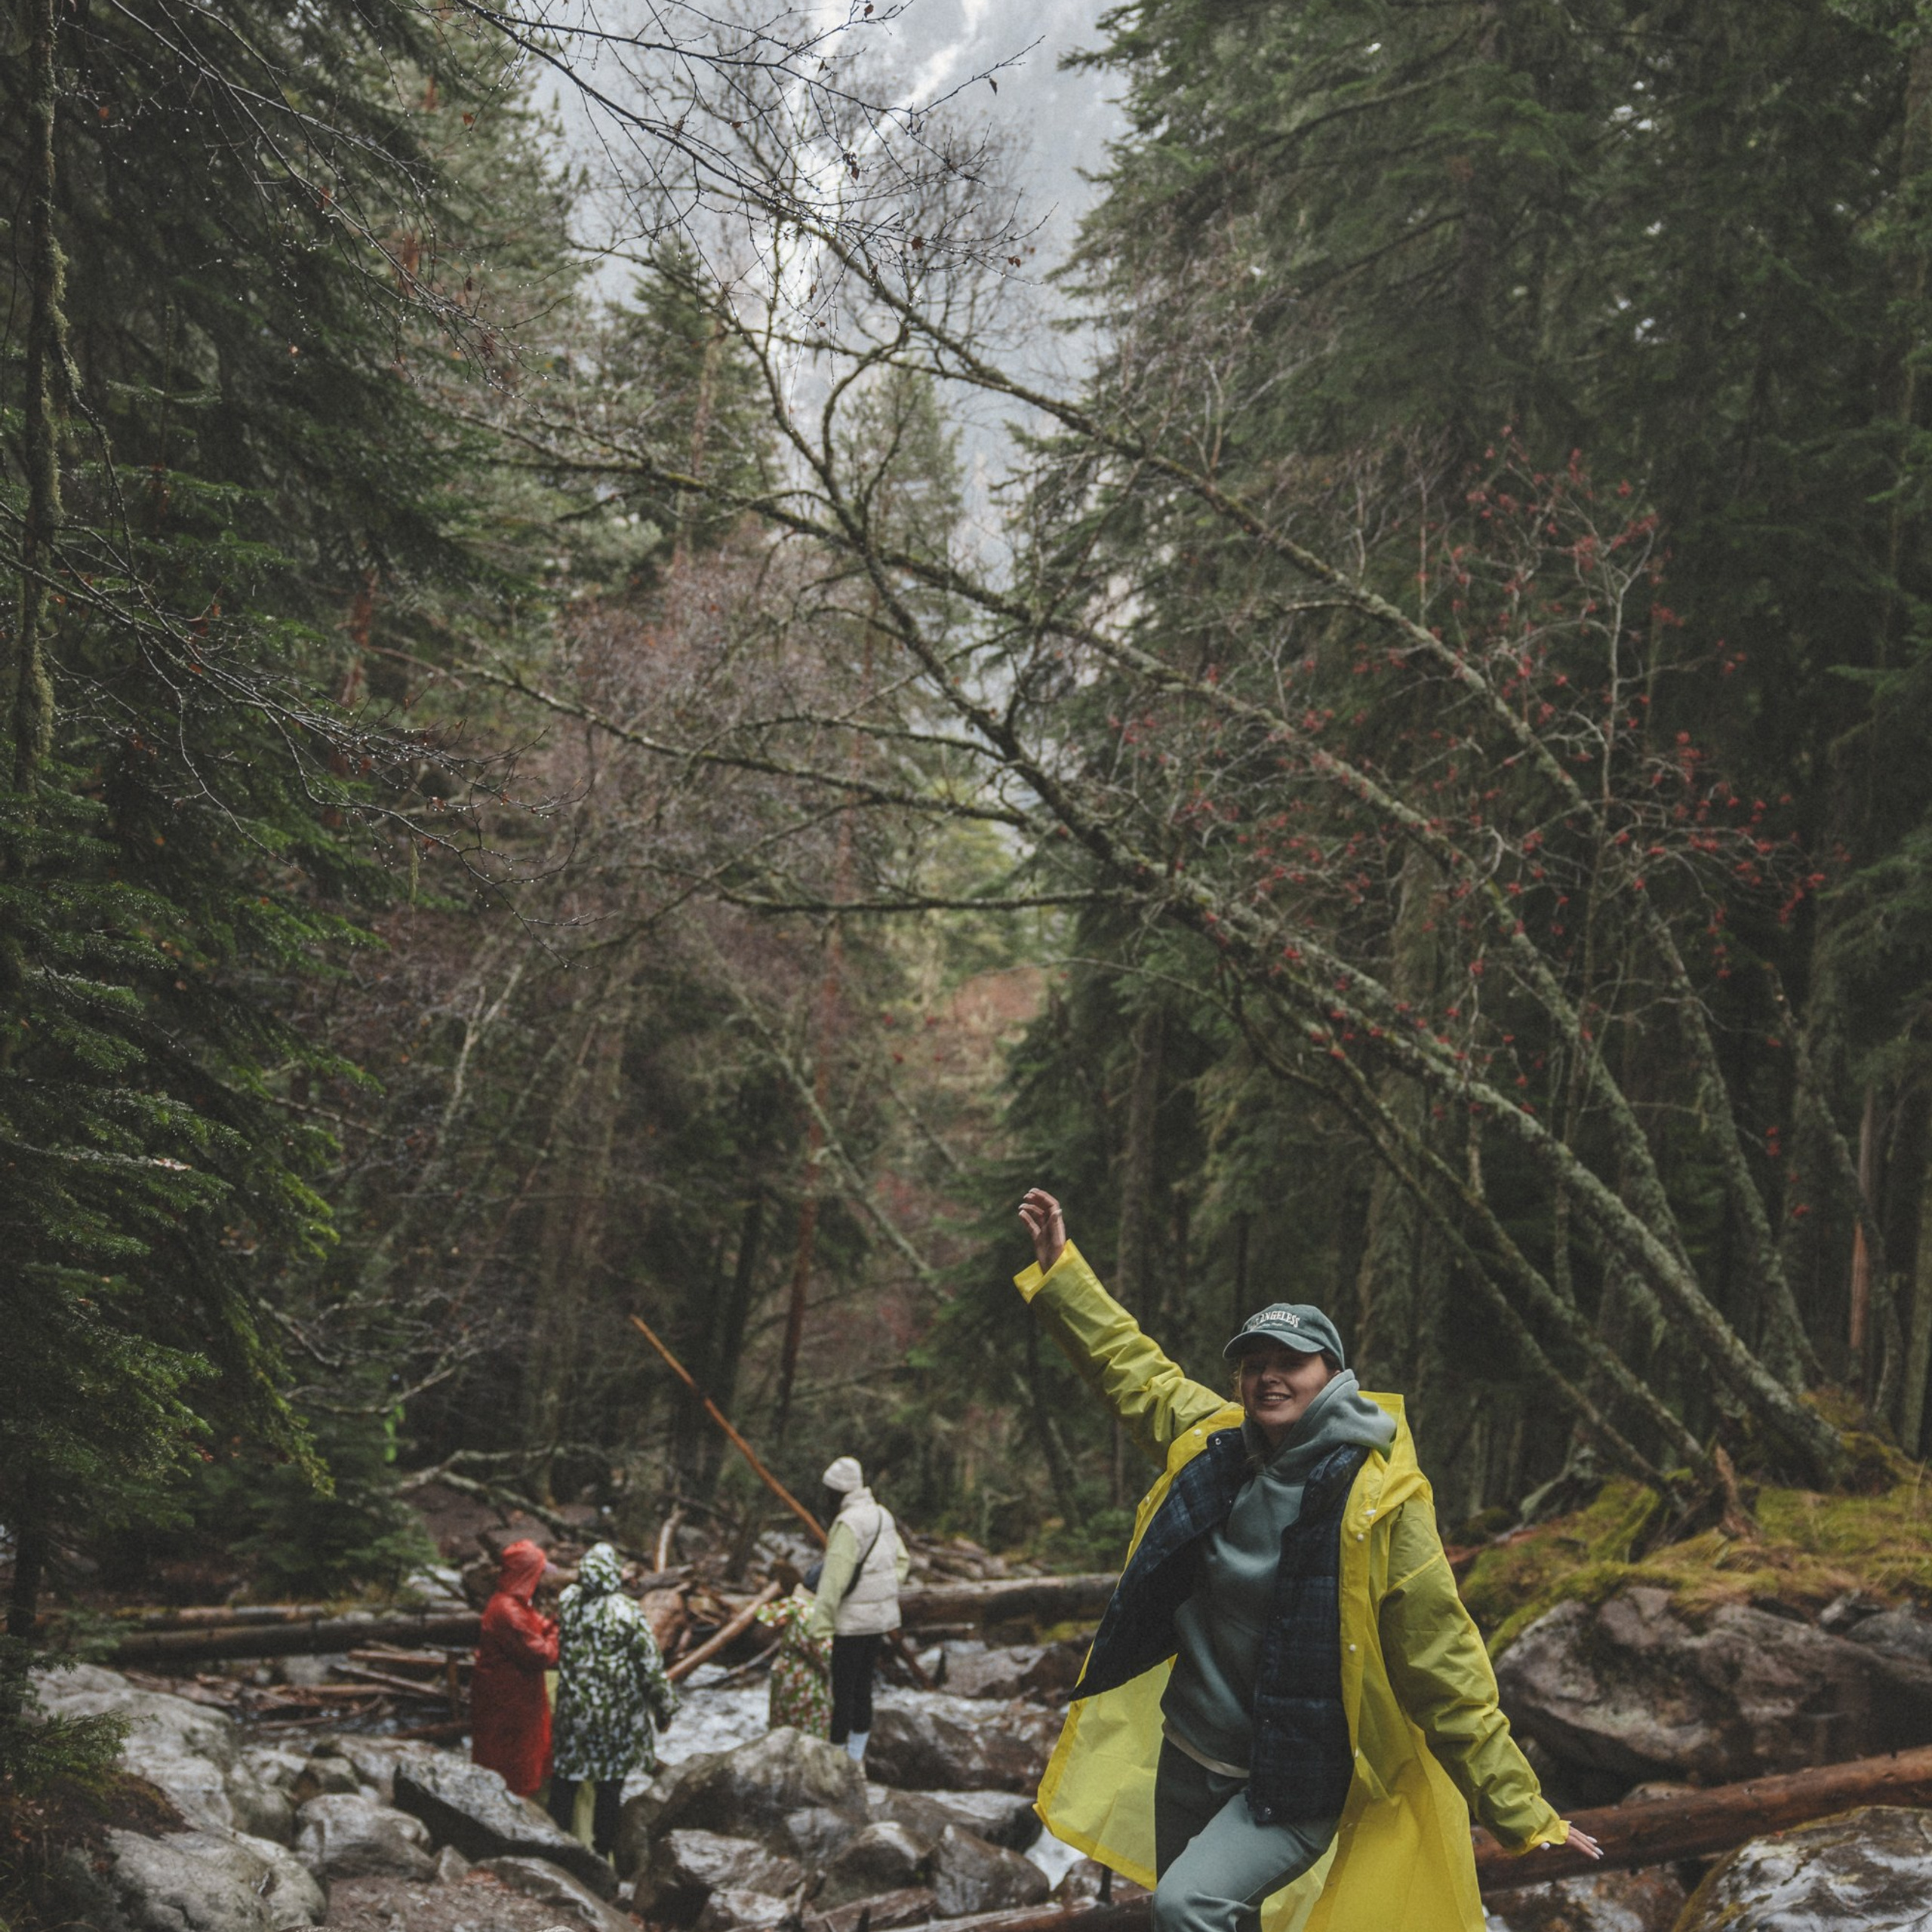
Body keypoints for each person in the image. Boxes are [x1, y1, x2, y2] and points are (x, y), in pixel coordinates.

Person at [1013, 1187, 1601, 1932]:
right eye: (1254, 1363)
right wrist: (1061, 1273)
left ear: (1332, 1374)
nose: (1269, 1376)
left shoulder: (1378, 1497)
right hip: (1188, 1753)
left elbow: (1442, 1662)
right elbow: (1136, 1374)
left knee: (1186, 1906)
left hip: (1291, 1786)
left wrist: (1519, 1808)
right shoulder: (1217, 1449)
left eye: (1291, 1361)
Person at [546, 1542, 678, 1858]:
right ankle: (602, 1854)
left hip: (573, 1712)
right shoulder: (627, 1611)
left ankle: (555, 1850)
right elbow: (650, 1666)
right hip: (615, 1717)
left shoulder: (569, 1602)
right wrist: (664, 1708)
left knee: (566, 1780)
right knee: (608, 1787)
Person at [808, 1456, 909, 1765]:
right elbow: (902, 1561)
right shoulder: (882, 1515)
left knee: (842, 1692)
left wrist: (819, 1626)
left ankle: (837, 1761)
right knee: (863, 1688)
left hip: (851, 1623)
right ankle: (856, 1758)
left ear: (836, 1492)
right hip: (877, 1621)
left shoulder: (848, 1523)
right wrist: (881, 1588)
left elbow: (833, 1581)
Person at [470, 1538, 559, 1798]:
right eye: (538, 1573)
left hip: (514, 1698)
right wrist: (558, 1632)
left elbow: (538, 1626)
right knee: (511, 1762)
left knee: (517, 1756)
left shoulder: (515, 1605)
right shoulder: (509, 1611)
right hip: (509, 1702)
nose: (541, 1579)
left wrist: (552, 1624)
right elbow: (541, 1656)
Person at [755, 1574, 833, 1737]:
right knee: (808, 1738)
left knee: (782, 1734)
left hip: (787, 1676)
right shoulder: (810, 1614)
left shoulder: (797, 1606)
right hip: (806, 1685)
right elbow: (828, 1657)